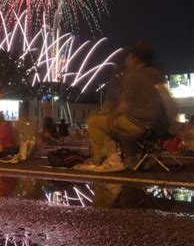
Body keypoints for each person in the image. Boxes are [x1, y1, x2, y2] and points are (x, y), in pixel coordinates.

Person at [75, 41, 178, 172]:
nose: (127, 61)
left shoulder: (133, 76)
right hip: (159, 128)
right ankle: (133, 159)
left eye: (128, 58)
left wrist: (105, 114)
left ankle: (109, 160)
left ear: (134, 58)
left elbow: (123, 107)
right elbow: (168, 101)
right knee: (119, 124)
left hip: (139, 126)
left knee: (95, 121)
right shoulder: (157, 75)